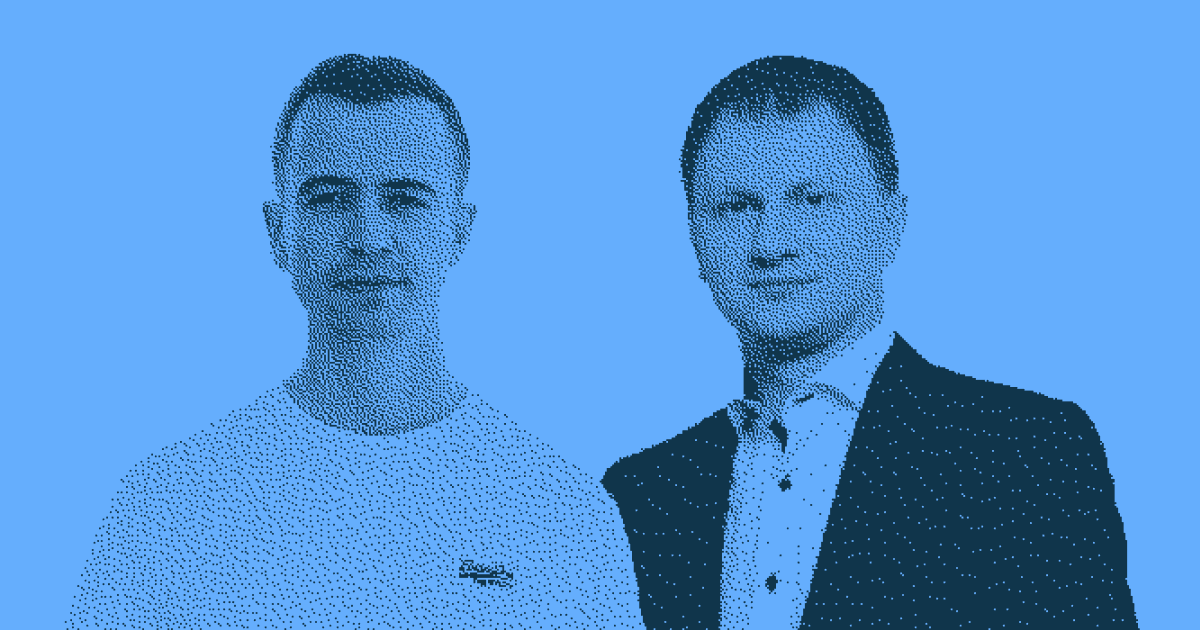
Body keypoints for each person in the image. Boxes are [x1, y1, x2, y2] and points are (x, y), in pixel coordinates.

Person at [69, 54, 643, 629]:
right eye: (329, 199)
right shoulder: (168, 506)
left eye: (406, 199)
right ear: (278, 231)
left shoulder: (561, 511)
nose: (368, 236)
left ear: (460, 230)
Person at [602, 56, 1137, 629]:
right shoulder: (637, 498)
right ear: (694, 237)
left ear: (892, 221)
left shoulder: (1026, 454)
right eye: (737, 207)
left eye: (812, 201)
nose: (771, 243)